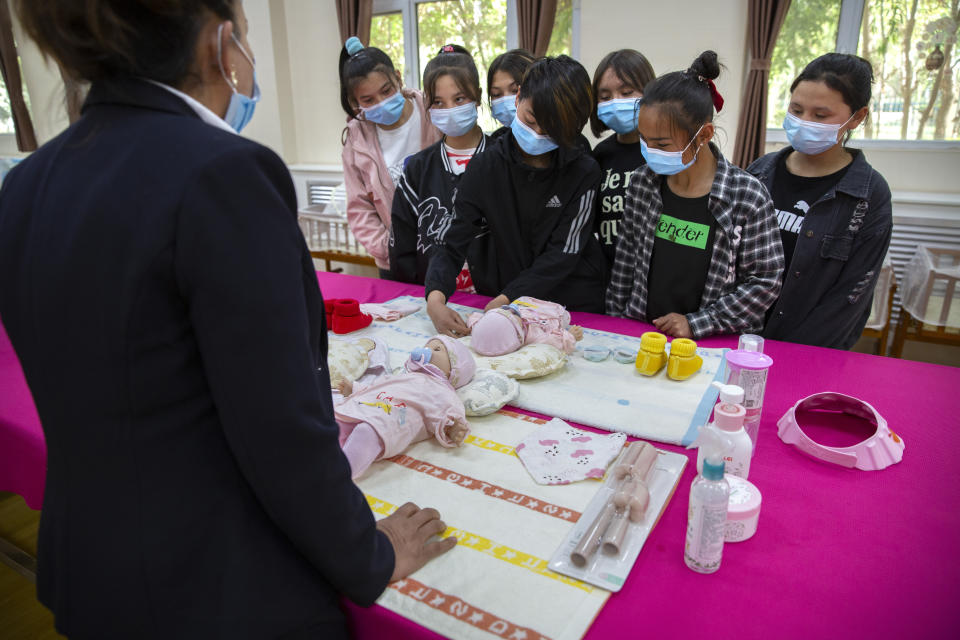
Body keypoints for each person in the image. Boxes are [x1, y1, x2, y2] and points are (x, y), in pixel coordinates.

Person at [0, 2, 453, 637]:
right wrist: (367, 552)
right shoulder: (220, 172)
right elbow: (280, 423)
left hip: (92, 572)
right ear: (220, 42)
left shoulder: (26, 185)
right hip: (215, 589)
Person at [424, 55, 608, 336]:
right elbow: (453, 239)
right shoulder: (486, 167)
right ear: (520, 96)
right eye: (531, 119)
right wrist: (435, 298)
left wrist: (507, 298)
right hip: (510, 299)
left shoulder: (583, 171)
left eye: (550, 132)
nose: (536, 134)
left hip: (574, 301)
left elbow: (563, 253)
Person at [606, 51, 784, 339]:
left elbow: (765, 281)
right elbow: (625, 263)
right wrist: (616, 329)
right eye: (644, 140)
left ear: (704, 135)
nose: (650, 151)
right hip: (643, 333)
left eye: (662, 144)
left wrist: (699, 323)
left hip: (713, 340)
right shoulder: (643, 182)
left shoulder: (746, 195)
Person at [748, 54, 892, 349]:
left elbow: (849, 298)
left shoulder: (869, 195)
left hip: (808, 350)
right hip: (741, 335)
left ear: (858, 116)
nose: (804, 122)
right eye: (796, 109)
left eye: (820, 115)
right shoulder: (760, 173)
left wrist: (792, 355)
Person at [390, 44, 490, 290]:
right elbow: (402, 245)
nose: (450, 110)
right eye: (438, 102)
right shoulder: (418, 169)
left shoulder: (501, 158)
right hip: (434, 301)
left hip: (494, 301)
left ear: (476, 95)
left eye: (459, 99)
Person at [339, 36, 441, 276]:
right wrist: (391, 248)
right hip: (396, 263)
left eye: (386, 91)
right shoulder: (356, 139)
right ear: (356, 103)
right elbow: (359, 209)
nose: (381, 103)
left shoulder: (432, 111)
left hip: (449, 256)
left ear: (397, 76)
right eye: (368, 100)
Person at [335, 336, 475, 478]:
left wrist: (453, 427)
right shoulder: (404, 376)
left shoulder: (443, 391)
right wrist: (354, 389)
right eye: (426, 346)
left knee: (366, 432)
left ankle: (338, 475)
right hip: (361, 407)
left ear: (454, 369)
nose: (426, 350)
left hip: (389, 420)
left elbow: (450, 410)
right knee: (333, 424)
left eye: (437, 349)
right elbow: (379, 386)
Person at [590, 49, 656, 265]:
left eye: (627, 92)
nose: (616, 103)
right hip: (610, 272)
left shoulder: (663, 153)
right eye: (605, 97)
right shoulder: (600, 154)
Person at [466, 296, 584, 356]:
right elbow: (557, 343)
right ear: (519, 334)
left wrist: (471, 318)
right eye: (514, 317)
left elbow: (477, 322)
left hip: (526, 304)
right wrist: (570, 336)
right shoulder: (534, 337)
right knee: (565, 317)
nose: (510, 312)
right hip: (552, 314)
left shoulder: (484, 327)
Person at [486, 48, 537, 135]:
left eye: (515, 90)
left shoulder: (562, 140)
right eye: (496, 94)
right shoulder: (496, 142)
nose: (506, 104)